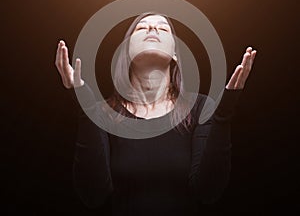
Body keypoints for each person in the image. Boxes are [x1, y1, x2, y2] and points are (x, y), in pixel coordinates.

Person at [55, 12, 257, 215]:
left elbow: (208, 192)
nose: (152, 29)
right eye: (142, 28)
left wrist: (223, 115)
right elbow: (93, 196)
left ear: (175, 53)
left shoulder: (200, 107)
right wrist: (86, 108)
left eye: (163, 28)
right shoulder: (102, 113)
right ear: (126, 52)